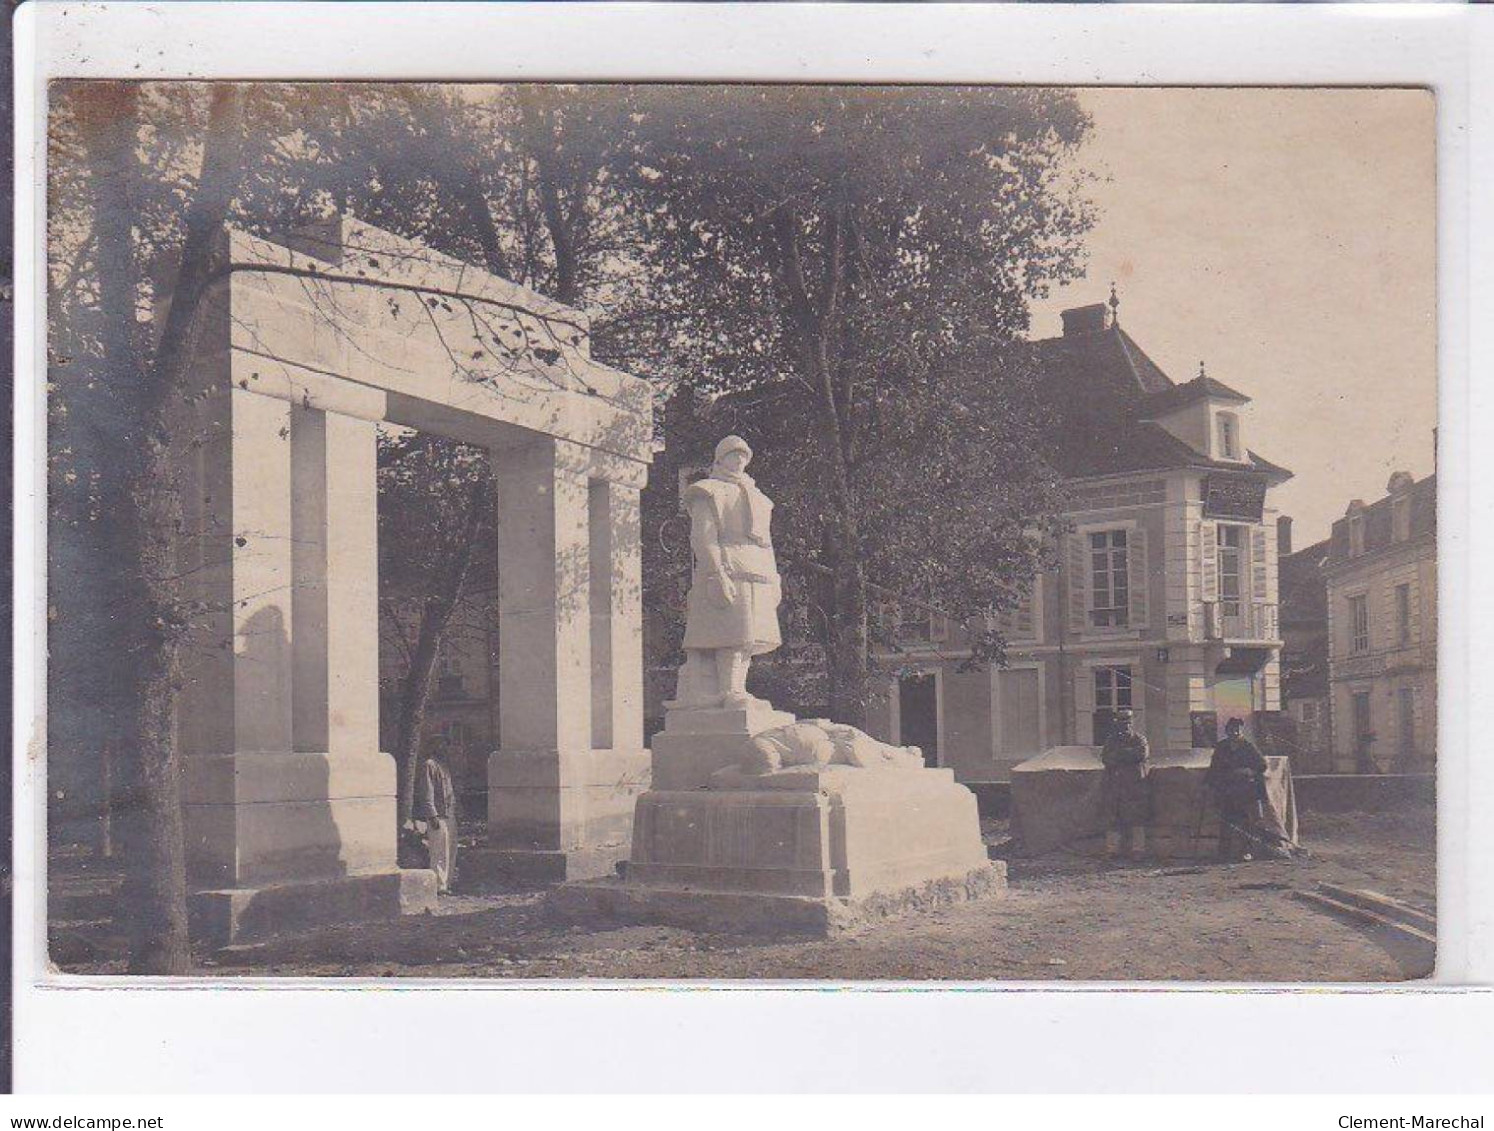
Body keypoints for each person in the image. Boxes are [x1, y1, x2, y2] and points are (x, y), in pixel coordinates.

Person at [672, 435, 783, 709]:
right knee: (731, 634)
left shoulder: (758, 497)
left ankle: (738, 689)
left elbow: (766, 542)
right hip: (727, 566)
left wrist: (775, 579)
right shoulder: (707, 491)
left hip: (756, 569)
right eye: (733, 454)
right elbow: (703, 537)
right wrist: (717, 572)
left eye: (743, 455)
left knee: (749, 637)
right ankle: (729, 690)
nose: (739, 460)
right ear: (720, 458)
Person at [1205, 717, 1269, 862]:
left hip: (1244, 790)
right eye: (1231, 730)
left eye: (1237, 730)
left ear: (1241, 731)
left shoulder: (1247, 746)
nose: (1234, 733)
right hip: (1226, 789)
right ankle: (1224, 853)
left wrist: (1249, 771)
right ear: (1226, 731)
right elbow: (1214, 767)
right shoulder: (1222, 747)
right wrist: (1207, 784)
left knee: (1245, 821)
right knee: (1226, 821)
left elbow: (1262, 765)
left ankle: (1246, 852)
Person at [1099, 708, 1150, 858]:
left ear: (1132, 722)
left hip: (1134, 786)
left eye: (1128, 721)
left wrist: (1120, 754)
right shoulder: (1111, 740)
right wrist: (1127, 753)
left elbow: (1140, 755)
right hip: (1116, 785)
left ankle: (1138, 850)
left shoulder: (1140, 739)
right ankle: (1112, 850)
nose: (1125, 725)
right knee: (1113, 818)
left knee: (1137, 818)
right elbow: (1106, 758)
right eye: (1122, 722)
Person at [414, 751, 458, 893]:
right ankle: (439, 885)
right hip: (438, 815)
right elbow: (427, 791)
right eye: (438, 743)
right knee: (439, 850)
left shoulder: (444, 766)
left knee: (450, 848)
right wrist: (432, 815)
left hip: (449, 813)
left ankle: (447, 883)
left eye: (444, 744)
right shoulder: (429, 765)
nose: (442, 747)